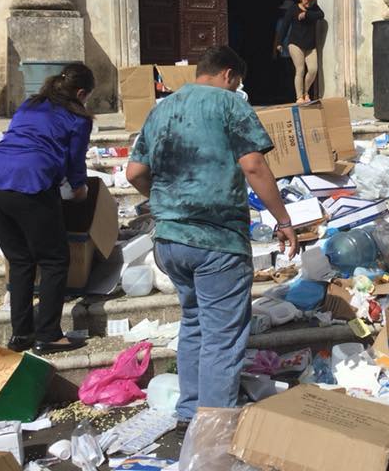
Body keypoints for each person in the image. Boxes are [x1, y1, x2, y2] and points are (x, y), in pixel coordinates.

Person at [125, 45, 296, 433]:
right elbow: (253, 164)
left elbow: (135, 171)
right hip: (216, 240)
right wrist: (283, 219)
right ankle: (213, 428)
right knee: (222, 336)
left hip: (169, 240)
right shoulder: (229, 104)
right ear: (229, 75)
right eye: (237, 82)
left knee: (195, 324)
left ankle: (189, 411)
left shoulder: (162, 108)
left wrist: (167, 202)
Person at [0, 63, 95, 356]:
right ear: (81, 93)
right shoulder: (79, 117)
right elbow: (75, 162)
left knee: (20, 260)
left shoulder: (31, 104)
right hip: (30, 183)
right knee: (54, 260)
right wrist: (80, 190)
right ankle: (49, 335)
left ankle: (21, 334)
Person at [279, 0, 323, 102]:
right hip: (295, 44)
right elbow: (284, 26)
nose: (309, 1)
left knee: (313, 69)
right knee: (300, 69)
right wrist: (279, 42)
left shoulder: (314, 8)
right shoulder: (293, 9)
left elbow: (321, 15)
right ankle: (299, 97)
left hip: (310, 45)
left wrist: (306, 14)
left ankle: (306, 92)